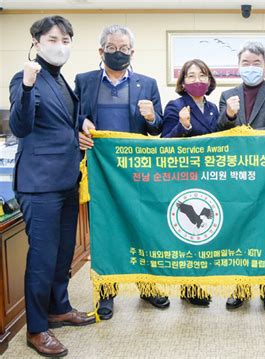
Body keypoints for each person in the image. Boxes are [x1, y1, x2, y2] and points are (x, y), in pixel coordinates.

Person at [9, 16, 95, 357]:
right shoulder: (25, 77)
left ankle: (59, 307)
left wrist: (80, 125)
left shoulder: (62, 81)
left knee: (63, 255)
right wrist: (28, 86)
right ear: (36, 40)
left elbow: (61, 121)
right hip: (38, 183)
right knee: (43, 257)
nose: (61, 45)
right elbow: (21, 125)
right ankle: (37, 328)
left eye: (66, 40)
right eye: (54, 38)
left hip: (66, 179)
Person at [75, 24, 168, 320]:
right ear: (101, 51)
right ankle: (106, 292)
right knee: (105, 233)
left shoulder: (147, 83)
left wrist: (153, 117)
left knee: (143, 229)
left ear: (132, 52)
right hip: (101, 172)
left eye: (124, 48)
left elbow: (159, 128)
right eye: (112, 48)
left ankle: (147, 286)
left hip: (137, 173)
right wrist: (81, 125)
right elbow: (74, 117)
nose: (118, 53)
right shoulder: (84, 81)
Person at [218, 41, 265, 313]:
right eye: (245, 63)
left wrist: (252, 138)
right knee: (238, 232)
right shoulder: (228, 95)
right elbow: (220, 132)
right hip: (237, 177)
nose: (251, 68)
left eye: (256, 63)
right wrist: (229, 115)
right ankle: (240, 289)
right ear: (238, 66)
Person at [162, 59, 219, 306]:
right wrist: (183, 126)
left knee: (206, 232)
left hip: (210, 178)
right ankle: (189, 286)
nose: (198, 81)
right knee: (189, 233)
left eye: (202, 75)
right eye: (192, 76)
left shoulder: (214, 108)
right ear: (183, 82)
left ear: (209, 80)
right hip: (184, 179)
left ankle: (201, 281)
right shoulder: (175, 105)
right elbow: (165, 141)